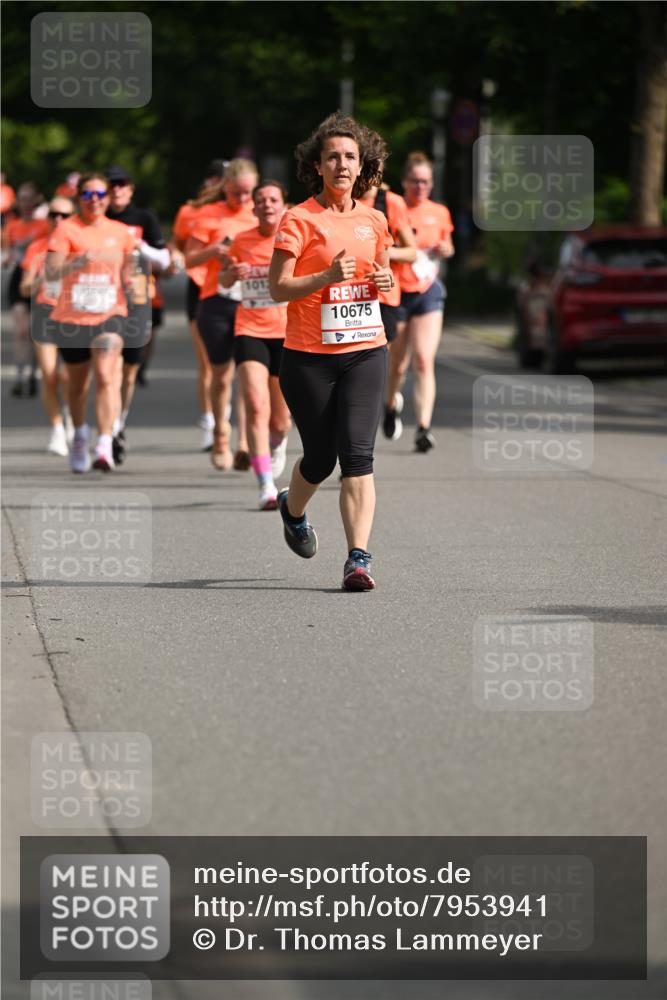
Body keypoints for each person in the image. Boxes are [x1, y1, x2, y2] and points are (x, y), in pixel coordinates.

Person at [268, 112, 394, 591]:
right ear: (317, 166)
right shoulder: (298, 219)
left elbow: (383, 277)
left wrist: (385, 281)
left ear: (362, 166)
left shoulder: (374, 220)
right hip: (308, 357)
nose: (342, 165)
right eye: (333, 157)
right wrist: (324, 277)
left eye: (350, 157)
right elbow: (278, 287)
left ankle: (358, 559)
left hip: (366, 349)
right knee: (320, 459)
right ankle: (292, 510)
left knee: (357, 456)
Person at [45, 172, 136, 473]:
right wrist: (77, 262)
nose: (94, 200)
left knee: (107, 375)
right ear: (78, 198)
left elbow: (130, 270)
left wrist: (134, 282)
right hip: (72, 317)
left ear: (108, 198)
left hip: (110, 314)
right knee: (77, 385)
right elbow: (51, 272)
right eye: (87, 194)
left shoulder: (121, 232)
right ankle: (81, 436)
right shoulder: (66, 229)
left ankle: (105, 443)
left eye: (99, 194)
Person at [219, 180, 291, 509]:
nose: (267, 204)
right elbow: (222, 280)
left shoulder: (295, 236)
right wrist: (233, 274)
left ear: (283, 205)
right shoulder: (242, 240)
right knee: (256, 404)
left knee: (280, 420)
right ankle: (265, 485)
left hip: (289, 332)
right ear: (254, 207)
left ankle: (277, 442)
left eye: (273, 199)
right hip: (250, 329)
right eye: (261, 200)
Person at [185, 159, 258, 470]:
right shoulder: (208, 214)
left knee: (248, 373)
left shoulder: (263, 212)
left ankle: (243, 443)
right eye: (235, 193)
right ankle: (220, 435)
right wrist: (214, 250)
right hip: (216, 301)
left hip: (254, 302)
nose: (242, 199)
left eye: (247, 193)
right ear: (224, 187)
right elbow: (189, 259)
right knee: (221, 374)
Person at [390, 151, 454, 453]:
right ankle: (390, 405)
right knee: (397, 364)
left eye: (426, 182)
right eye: (415, 181)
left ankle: (423, 428)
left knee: (424, 360)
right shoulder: (394, 208)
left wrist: (445, 248)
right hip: (397, 292)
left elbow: (448, 244)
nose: (420, 187)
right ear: (404, 182)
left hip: (428, 290)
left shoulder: (439, 212)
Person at [105, 165, 170, 463]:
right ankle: (107, 431)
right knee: (109, 368)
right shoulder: (97, 220)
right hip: (103, 302)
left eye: (122, 184)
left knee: (128, 372)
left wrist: (137, 245)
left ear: (130, 189)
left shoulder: (144, 219)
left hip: (137, 299)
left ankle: (118, 422)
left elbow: (163, 260)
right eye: (111, 185)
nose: (116, 189)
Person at [170, 159, 228, 451]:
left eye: (224, 178)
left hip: (237, 292)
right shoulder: (191, 211)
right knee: (208, 361)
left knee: (241, 364)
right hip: (201, 287)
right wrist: (177, 256)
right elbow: (179, 246)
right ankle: (210, 421)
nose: (218, 183)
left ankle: (229, 418)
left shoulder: (250, 210)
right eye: (214, 177)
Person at [360, 183, 417, 440]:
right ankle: (358, 430)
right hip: (349, 296)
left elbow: (412, 251)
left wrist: (385, 252)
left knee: (389, 364)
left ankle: (390, 404)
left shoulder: (391, 202)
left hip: (384, 297)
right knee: (358, 368)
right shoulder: (340, 198)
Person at [20, 196, 75, 456]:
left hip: (74, 315)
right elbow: (24, 287)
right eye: (54, 214)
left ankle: (71, 413)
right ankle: (57, 430)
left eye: (64, 215)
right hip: (45, 312)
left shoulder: (79, 244)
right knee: (49, 374)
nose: (58, 220)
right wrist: (41, 280)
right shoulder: (38, 247)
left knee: (69, 375)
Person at [2, 182, 50, 396]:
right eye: (21, 199)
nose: (25, 203)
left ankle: (33, 373)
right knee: (21, 330)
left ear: (35, 201)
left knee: (34, 331)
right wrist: (8, 258)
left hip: (39, 279)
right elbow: (6, 253)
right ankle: (20, 376)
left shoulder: (45, 225)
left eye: (29, 199)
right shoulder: (12, 225)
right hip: (18, 277)